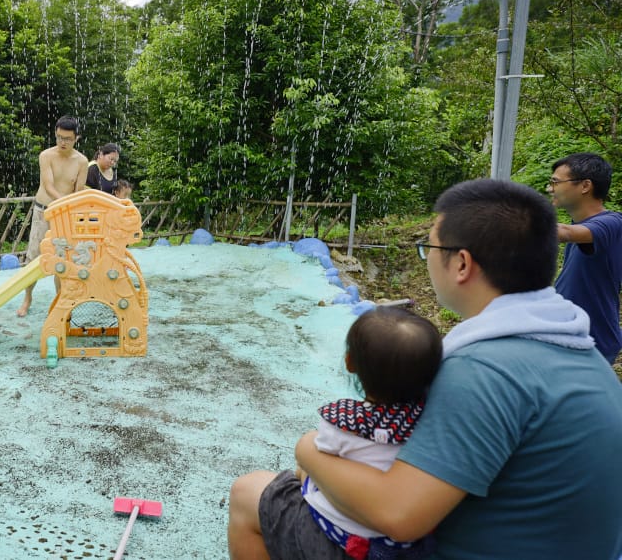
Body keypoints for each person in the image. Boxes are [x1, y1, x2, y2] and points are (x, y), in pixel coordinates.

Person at [228, 178, 622, 560]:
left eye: (429, 246)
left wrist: (308, 449)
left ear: (462, 263)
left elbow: (399, 516)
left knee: (250, 492)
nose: (428, 255)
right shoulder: (579, 349)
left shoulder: (482, 371)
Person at [299, 307, 442, 560]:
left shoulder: (343, 422)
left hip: (350, 533)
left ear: (350, 363)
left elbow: (319, 450)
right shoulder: (431, 422)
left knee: (304, 471)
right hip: (410, 546)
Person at [548, 152, 622, 363]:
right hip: (569, 336)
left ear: (585, 186)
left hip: (591, 343)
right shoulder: (580, 226)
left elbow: (565, 233)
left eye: (555, 182)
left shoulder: (612, 223)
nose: (550, 188)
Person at [15, 116, 89, 317]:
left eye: (67, 138)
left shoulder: (81, 161)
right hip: (44, 211)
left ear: (76, 138)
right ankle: (27, 298)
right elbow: (48, 186)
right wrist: (63, 202)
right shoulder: (46, 156)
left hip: (65, 215)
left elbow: (79, 190)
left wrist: (69, 208)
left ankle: (60, 300)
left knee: (62, 259)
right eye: (59, 137)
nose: (62, 142)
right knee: (33, 258)